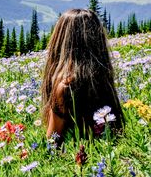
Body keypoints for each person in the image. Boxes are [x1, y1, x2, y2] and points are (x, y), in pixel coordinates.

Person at [41, 9, 124, 140]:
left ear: (61, 42)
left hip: (77, 156)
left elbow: (52, 141)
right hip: (107, 152)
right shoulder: (102, 78)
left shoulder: (66, 86)